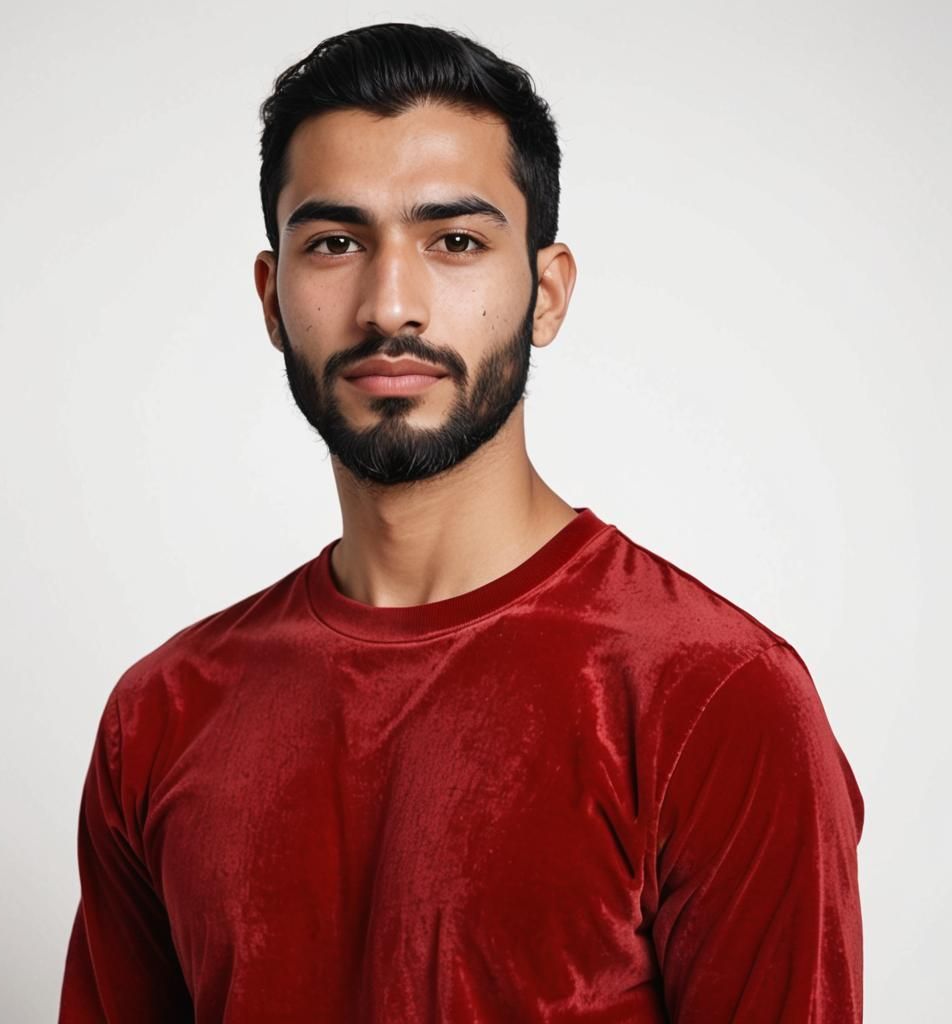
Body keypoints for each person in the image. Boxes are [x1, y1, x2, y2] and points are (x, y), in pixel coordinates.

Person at [58, 21, 864, 1023]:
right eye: (335, 242)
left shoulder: (717, 698)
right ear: (272, 298)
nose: (390, 303)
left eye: (456, 242)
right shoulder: (161, 713)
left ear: (546, 292)